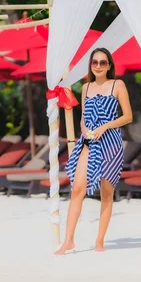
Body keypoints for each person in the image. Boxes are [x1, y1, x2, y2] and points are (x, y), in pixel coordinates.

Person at [54, 48, 132, 255]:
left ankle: (99, 241)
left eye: (103, 62)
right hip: (89, 142)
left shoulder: (117, 85)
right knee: (77, 189)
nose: (98, 65)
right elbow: (83, 117)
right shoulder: (85, 87)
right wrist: (83, 128)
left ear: (109, 65)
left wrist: (104, 127)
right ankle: (68, 240)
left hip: (111, 142)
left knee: (106, 194)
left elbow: (128, 116)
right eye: (95, 62)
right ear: (90, 65)